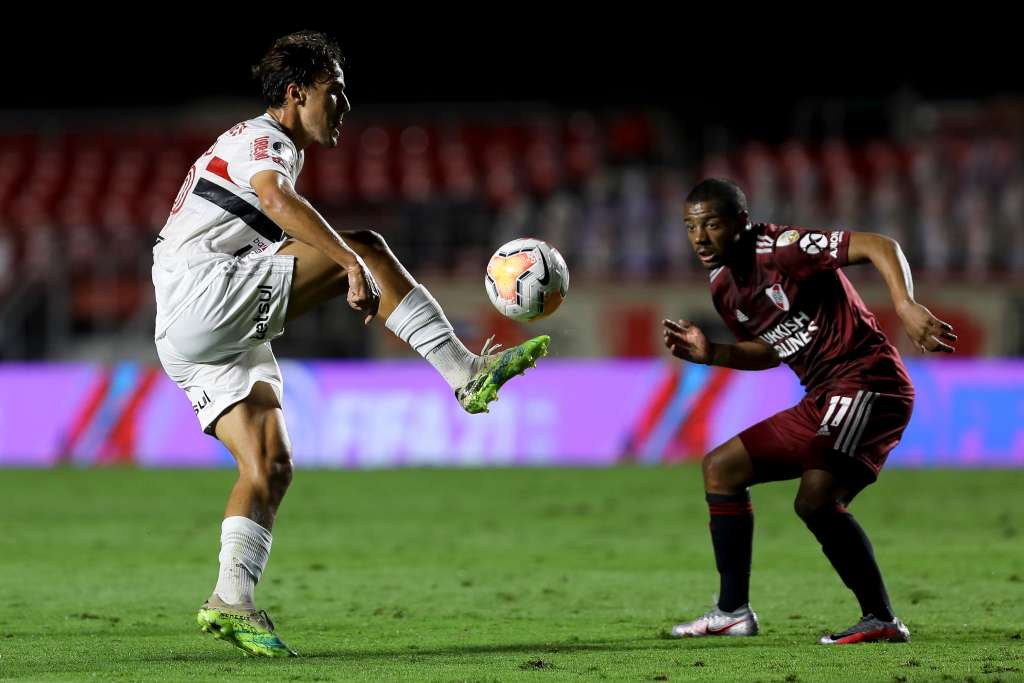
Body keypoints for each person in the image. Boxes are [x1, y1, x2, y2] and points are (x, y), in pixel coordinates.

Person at [152, 31, 548, 657]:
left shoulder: (266, 144)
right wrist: (345, 263)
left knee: (269, 465)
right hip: (203, 295)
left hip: (193, 329)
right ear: (295, 92)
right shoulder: (262, 139)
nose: (344, 104)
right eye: (333, 91)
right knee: (364, 249)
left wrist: (340, 264)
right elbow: (275, 198)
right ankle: (464, 372)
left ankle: (231, 600)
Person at [663, 178, 955, 644]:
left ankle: (880, 618)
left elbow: (880, 245)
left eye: (711, 224)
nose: (699, 237)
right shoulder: (724, 287)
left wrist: (904, 304)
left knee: (816, 498)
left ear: (741, 222)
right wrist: (712, 353)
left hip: (869, 380)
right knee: (721, 468)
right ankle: (732, 612)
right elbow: (769, 351)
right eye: (690, 227)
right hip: (822, 397)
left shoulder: (784, 249)